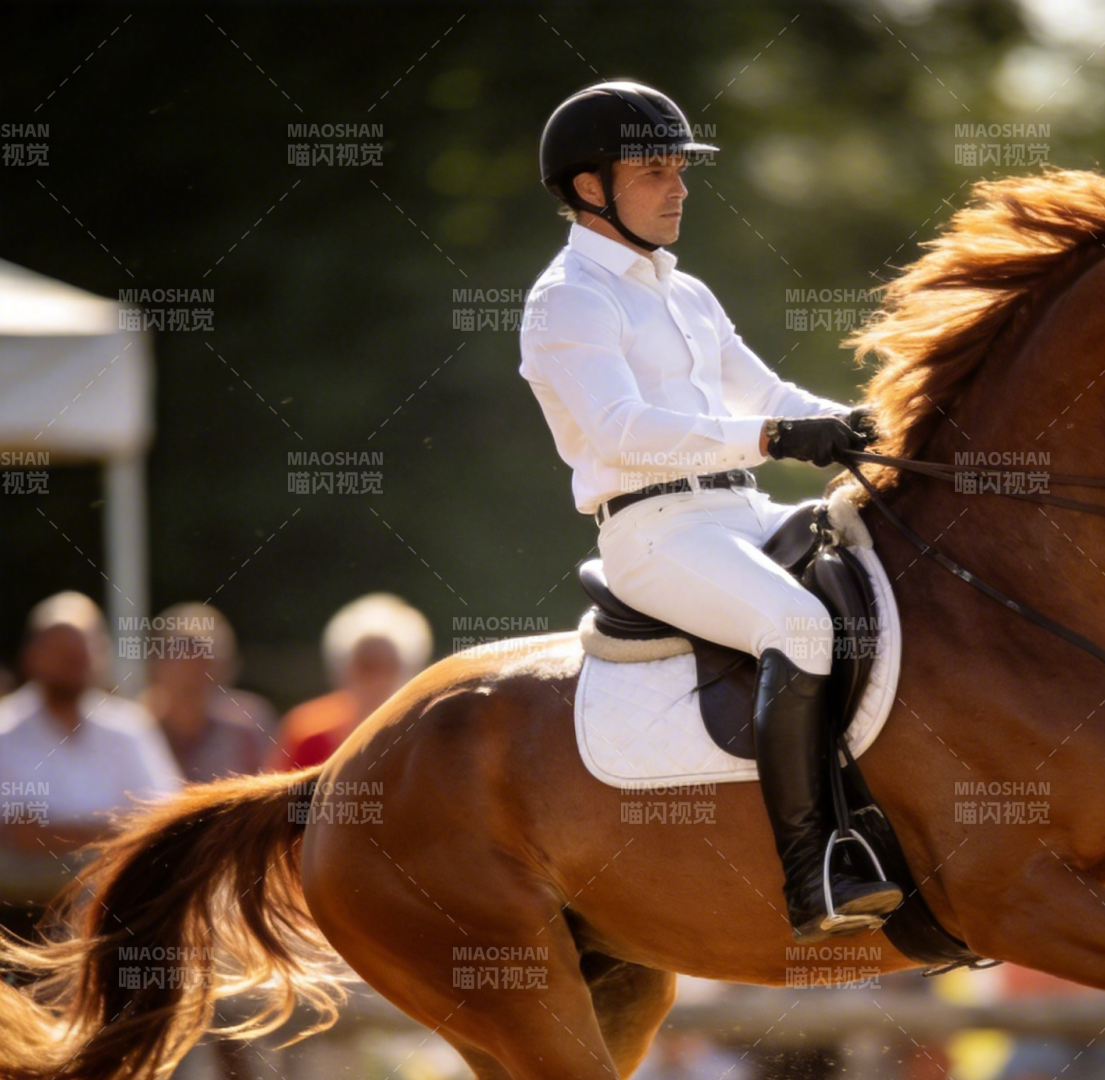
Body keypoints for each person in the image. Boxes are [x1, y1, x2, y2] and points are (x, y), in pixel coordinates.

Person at [522, 79, 899, 942]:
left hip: (739, 509)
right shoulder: (568, 298)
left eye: (680, 169)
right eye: (656, 171)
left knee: (887, 556)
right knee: (799, 626)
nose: (680, 188)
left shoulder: (684, 291)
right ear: (591, 187)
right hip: (654, 532)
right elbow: (622, 430)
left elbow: (770, 395)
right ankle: (815, 868)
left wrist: (872, 427)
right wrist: (772, 437)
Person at [0, 592, 182, 863]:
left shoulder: (130, 727)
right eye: (62, 654)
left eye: (80, 654)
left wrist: (52, 833)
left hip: (116, 884)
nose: (72, 664)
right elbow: (17, 834)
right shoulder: (5, 732)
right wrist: (116, 831)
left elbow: (164, 820)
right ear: (31, 655)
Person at [273, 593, 431, 771]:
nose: (378, 679)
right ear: (344, 666)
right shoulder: (308, 731)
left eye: (389, 665)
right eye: (367, 665)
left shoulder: (423, 733)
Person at [142, 603, 277, 782]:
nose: (190, 672)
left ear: (226, 668)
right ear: (156, 664)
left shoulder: (247, 728)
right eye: (178, 656)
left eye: (204, 659)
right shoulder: (136, 725)